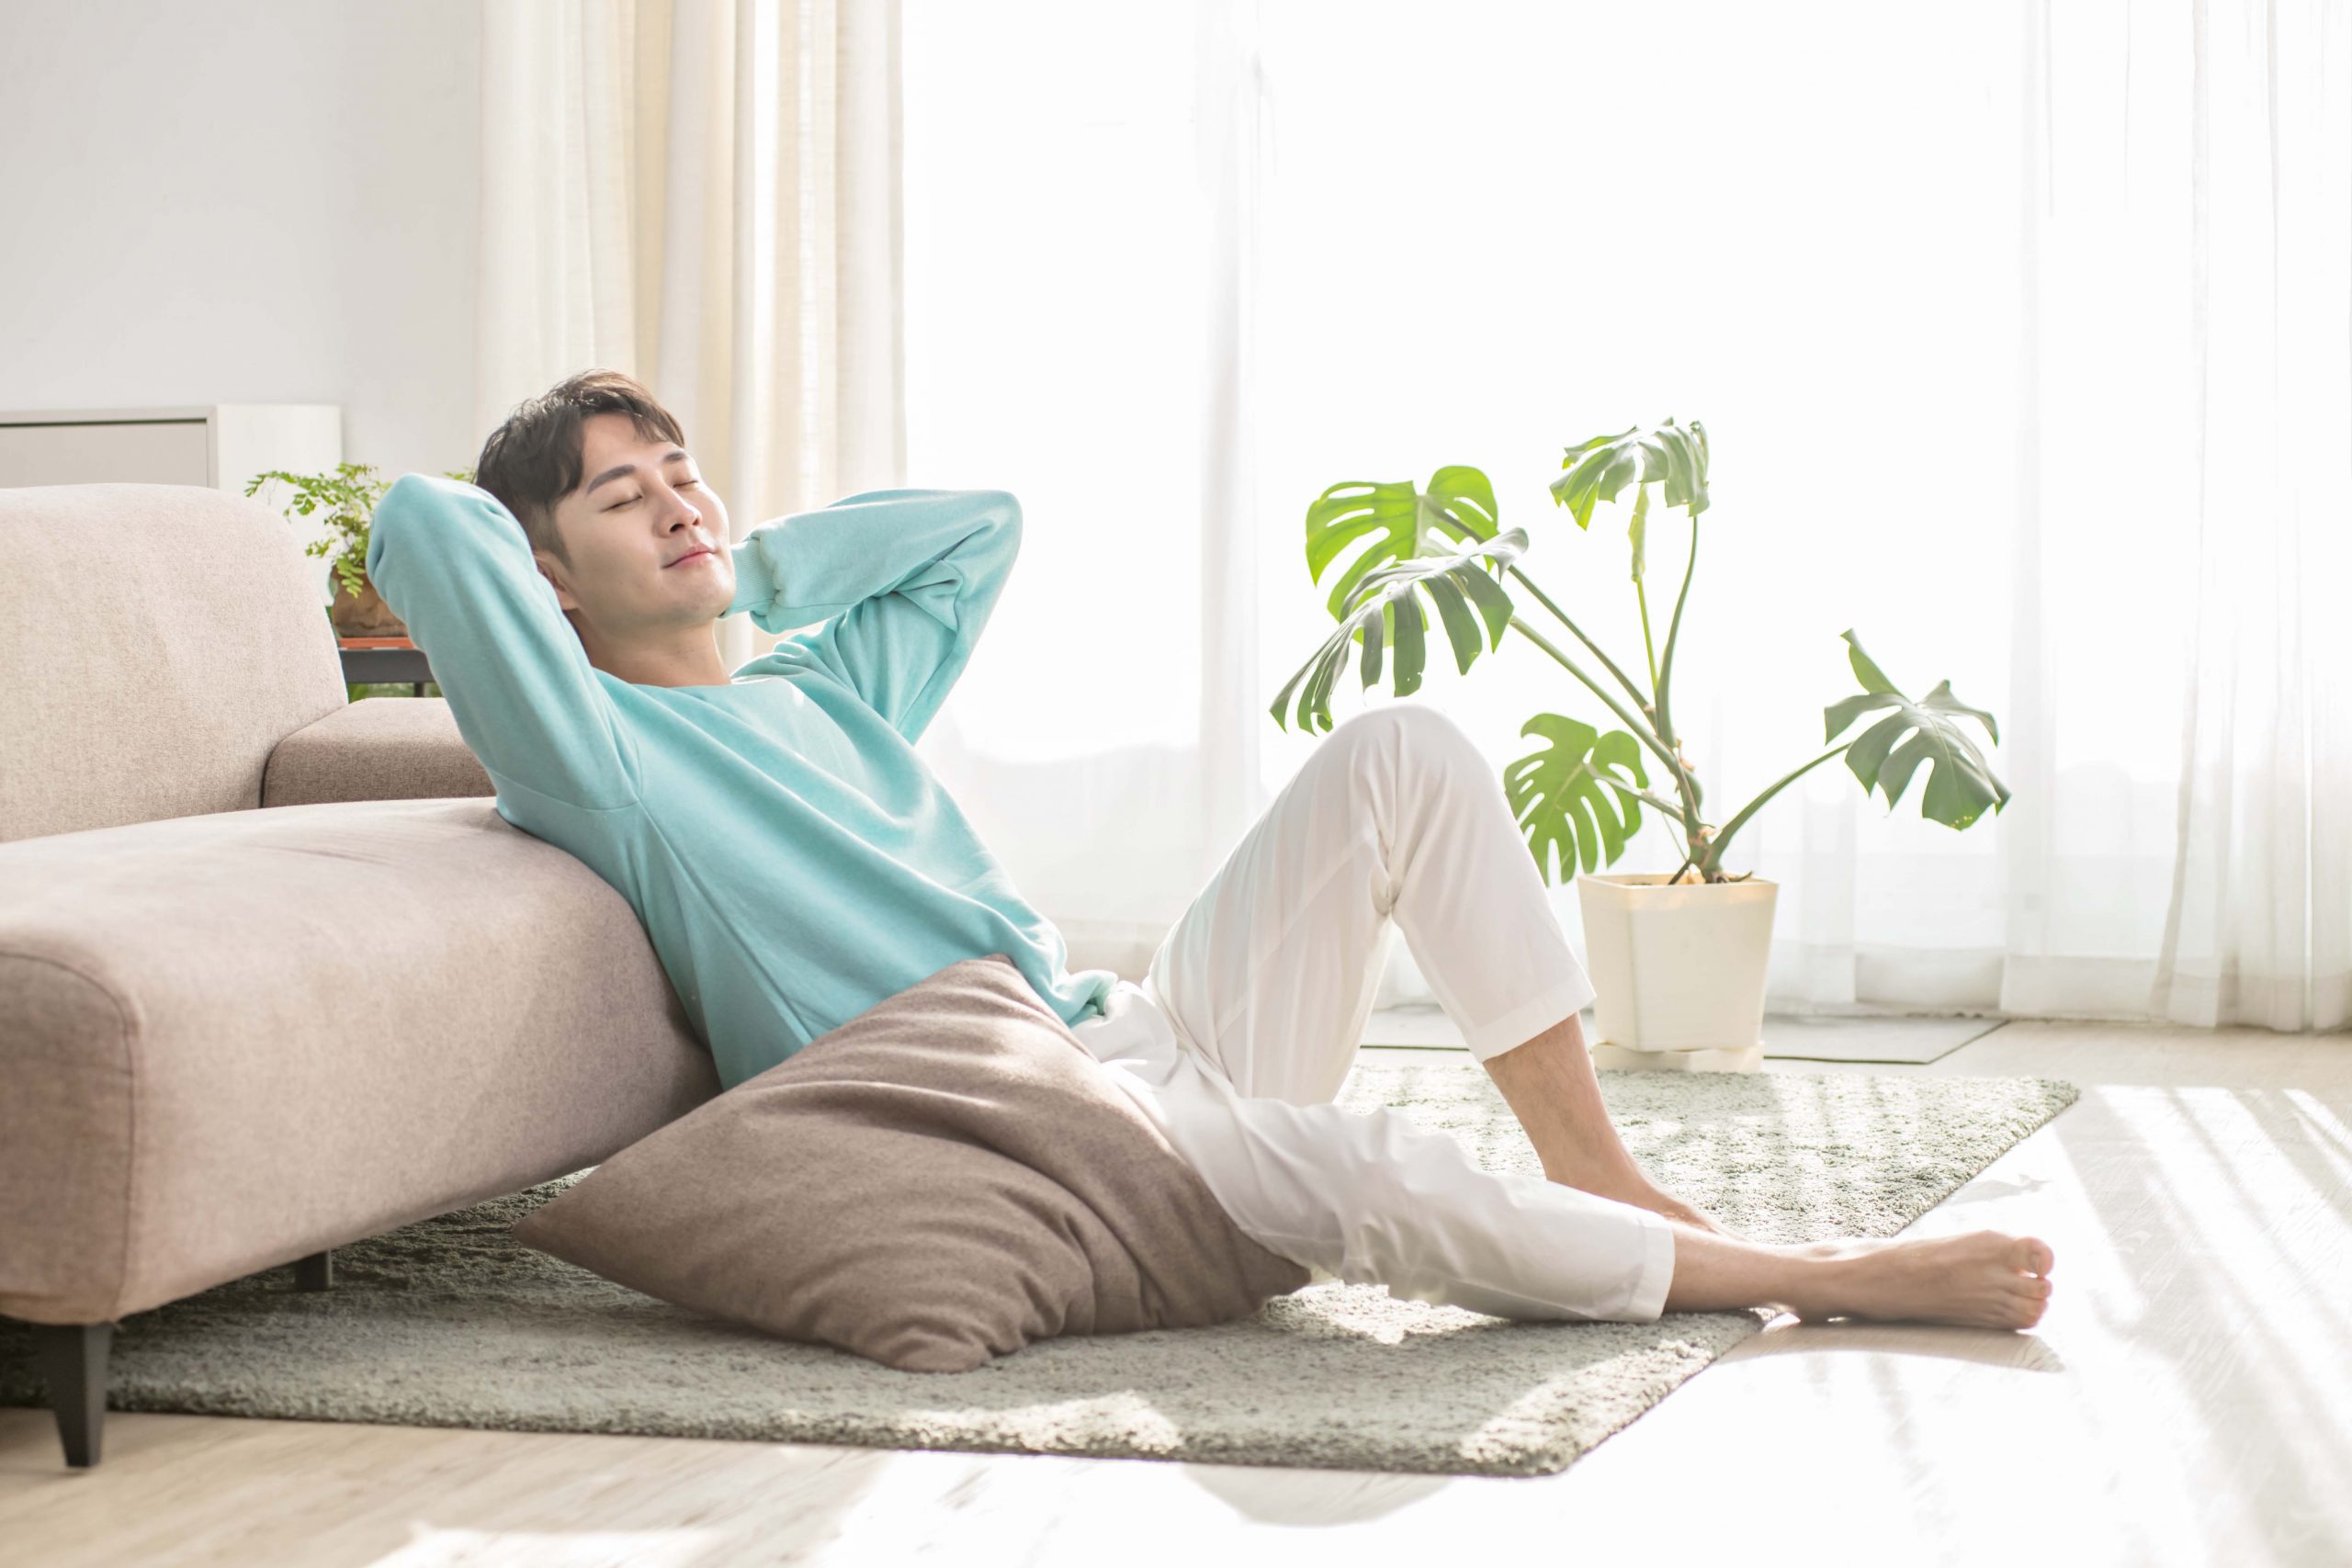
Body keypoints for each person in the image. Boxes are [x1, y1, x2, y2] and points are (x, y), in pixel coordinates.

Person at [367, 368, 2056, 1333]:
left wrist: (753, 573)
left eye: (685, 474)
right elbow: (417, 526)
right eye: (622, 500)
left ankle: (1593, 1164)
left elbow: (978, 534)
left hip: (1135, 1032)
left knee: (1400, 749)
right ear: (547, 579)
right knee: (1373, 1174)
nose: (679, 502)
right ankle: (1817, 1275)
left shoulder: (819, 684)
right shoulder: (606, 761)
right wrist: (552, 557)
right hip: (1019, 1122)